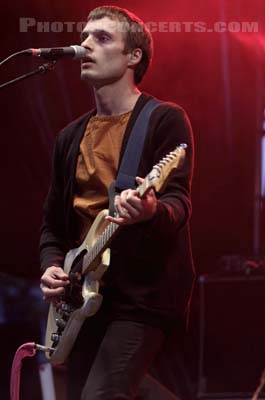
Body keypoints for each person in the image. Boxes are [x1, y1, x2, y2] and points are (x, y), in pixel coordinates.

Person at [38, 6, 195, 399]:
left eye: (102, 38)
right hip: (83, 297)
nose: (85, 44)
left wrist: (151, 210)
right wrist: (52, 267)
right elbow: (52, 226)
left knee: (102, 395)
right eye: (85, 35)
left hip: (140, 296)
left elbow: (178, 201)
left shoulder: (163, 120)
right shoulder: (69, 137)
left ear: (133, 56)